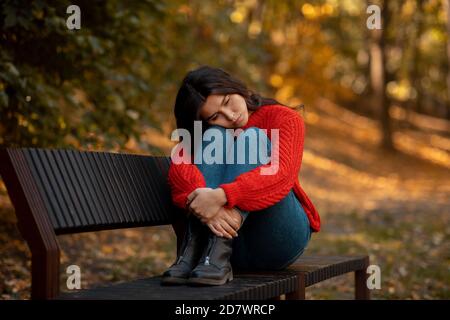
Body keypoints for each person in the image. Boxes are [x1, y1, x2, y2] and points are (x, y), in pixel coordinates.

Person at [161, 65, 321, 286]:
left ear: (234, 87)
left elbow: (281, 177)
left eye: (227, 102)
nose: (231, 115)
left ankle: (215, 247)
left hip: (277, 238)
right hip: (215, 256)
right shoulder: (209, 131)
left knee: (252, 137)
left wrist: (221, 197)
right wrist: (207, 211)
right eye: (215, 115)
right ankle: (200, 250)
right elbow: (179, 168)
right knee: (215, 136)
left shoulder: (283, 118)